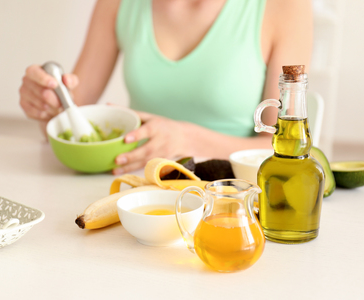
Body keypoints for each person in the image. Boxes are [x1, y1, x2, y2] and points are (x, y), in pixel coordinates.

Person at [19, 0, 312, 175]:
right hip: (136, 190)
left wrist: (184, 139)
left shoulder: (285, 7)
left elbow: (284, 151)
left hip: (231, 198)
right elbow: (68, 120)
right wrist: (46, 103)